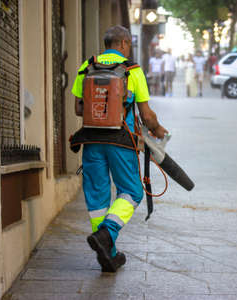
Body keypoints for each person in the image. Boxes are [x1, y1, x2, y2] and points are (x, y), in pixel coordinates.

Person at [71, 25, 167, 272]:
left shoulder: (86, 67)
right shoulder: (132, 70)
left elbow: (79, 109)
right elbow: (146, 115)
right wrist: (157, 130)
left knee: (97, 197)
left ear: (107, 43)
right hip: (120, 141)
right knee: (132, 191)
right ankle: (108, 234)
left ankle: (108, 254)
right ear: (124, 44)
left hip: (91, 141)